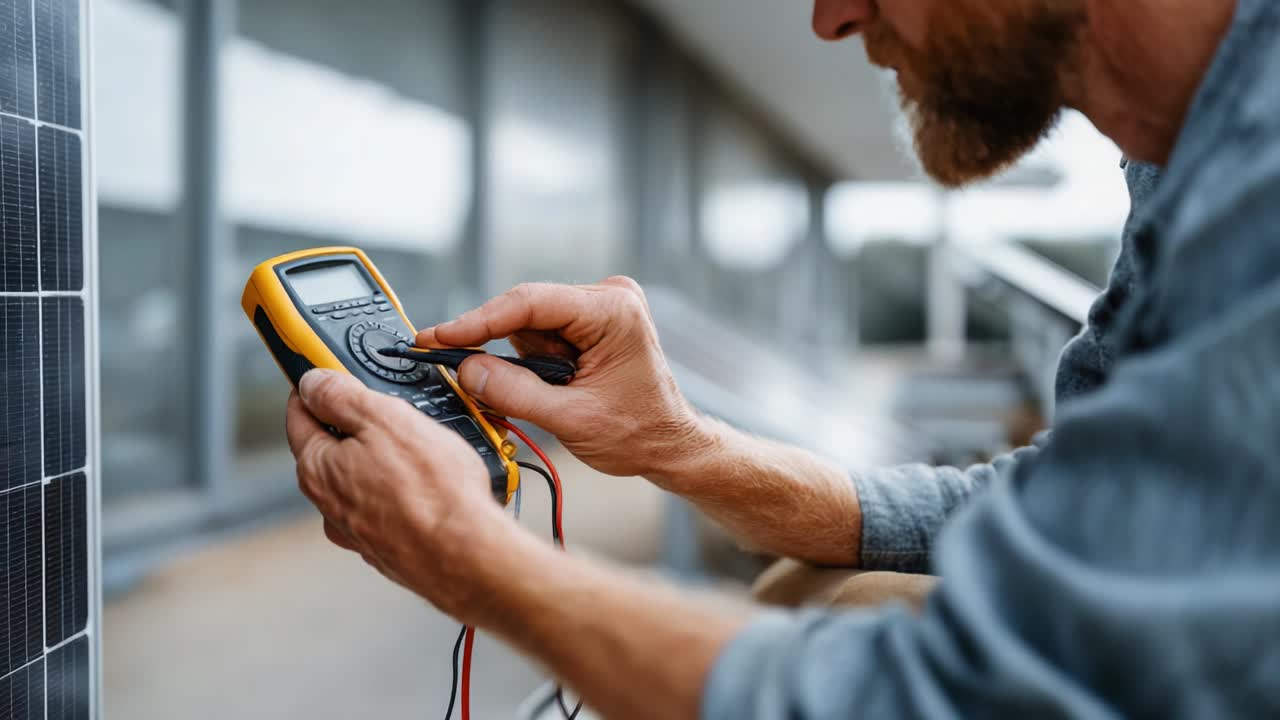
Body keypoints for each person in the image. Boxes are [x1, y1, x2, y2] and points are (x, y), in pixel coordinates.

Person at [284, 0, 1280, 716]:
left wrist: (471, 560)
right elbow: (1070, 507)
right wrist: (674, 445)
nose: (828, 18)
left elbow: (970, 696)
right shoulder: (1181, 165)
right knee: (814, 591)